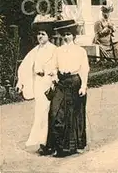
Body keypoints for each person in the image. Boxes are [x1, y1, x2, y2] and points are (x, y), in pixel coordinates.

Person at [46, 19, 89, 157]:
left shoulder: (80, 51)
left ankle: (71, 146)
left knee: (73, 114)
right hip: (61, 83)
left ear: (74, 36)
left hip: (75, 82)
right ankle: (57, 145)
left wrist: (83, 86)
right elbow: (53, 66)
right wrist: (54, 76)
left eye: (69, 34)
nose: (66, 37)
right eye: (64, 35)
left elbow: (84, 69)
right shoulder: (58, 51)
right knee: (55, 113)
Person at [15, 17, 58, 155]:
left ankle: (50, 143)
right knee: (40, 114)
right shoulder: (36, 50)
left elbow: (58, 66)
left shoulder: (54, 50)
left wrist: (53, 76)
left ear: (48, 36)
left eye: (43, 34)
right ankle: (43, 143)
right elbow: (25, 66)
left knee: (50, 113)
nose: (40, 36)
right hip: (39, 84)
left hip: (50, 84)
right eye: (39, 34)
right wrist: (20, 82)